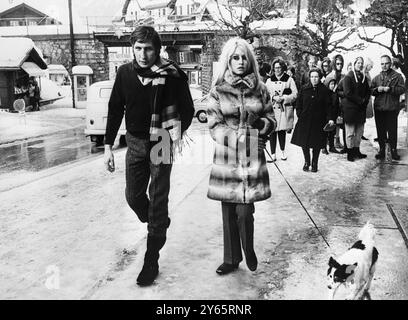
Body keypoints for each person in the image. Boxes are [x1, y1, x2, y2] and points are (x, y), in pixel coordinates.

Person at [104, 26, 194, 286]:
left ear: (158, 49)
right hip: (134, 142)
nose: (143, 54)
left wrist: (176, 129)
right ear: (132, 49)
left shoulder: (173, 76)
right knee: (133, 196)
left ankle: (151, 259)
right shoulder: (125, 74)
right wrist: (108, 146)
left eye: (149, 49)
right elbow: (114, 109)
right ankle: (158, 221)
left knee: (157, 197)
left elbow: (187, 110)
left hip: (162, 141)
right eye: (138, 48)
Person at [206, 37, 276, 275]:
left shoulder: (261, 88)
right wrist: (238, 138)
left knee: (245, 211)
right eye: (235, 57)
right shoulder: (217, 91)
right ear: (228, 60)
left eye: (243, 57)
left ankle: (249, 249)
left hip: (252, 158)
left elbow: (272, 120)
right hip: (227, 158)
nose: (239, 61)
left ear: (250, 60)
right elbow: (215, 126)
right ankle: (231, 259)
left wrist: (261, 125)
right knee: (228, 212)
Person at [291, 68, 334, 172]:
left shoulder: (324, 91)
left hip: (318, 121)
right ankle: (307, 161)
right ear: (309, 78)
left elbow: (329, 107)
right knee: (304, 142)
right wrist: (300, 114)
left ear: (319, 78)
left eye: (316, 77)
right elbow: (298, 104)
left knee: (317, 144)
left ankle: (315, 163)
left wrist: (330, 119)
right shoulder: (304, 89)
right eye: (312, 77)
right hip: (305, 120)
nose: (314, 79)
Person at [371, 55, 406, 160]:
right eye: (382, 64)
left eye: (386, 63)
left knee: (392, 131)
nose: (384, 66)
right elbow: (371, 90)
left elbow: (402, 89)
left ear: (390, 64)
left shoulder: (397, 76)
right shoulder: (376, 78)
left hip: (391, 108)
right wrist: (377, 89)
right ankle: (382, 150)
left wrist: (390, 89)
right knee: (380, 131)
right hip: (379, 108)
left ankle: (394, 150)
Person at [265, 58, 298, 161]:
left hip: (284, 109)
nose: (277, 70)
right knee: (272, 131)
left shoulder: (289, 79)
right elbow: (265, 93)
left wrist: (284, 98)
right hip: (273, 109)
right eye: (275, 68)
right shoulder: (269, 80)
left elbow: (295, 94)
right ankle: (273, 154)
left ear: (283, 68)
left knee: (282, 131)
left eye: (279, 67)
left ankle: (283, 152)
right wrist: (273, 97)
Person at [340, 57, 371, 162]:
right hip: (351, 109)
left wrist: (365, 101)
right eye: (358, 63)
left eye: (361, 63)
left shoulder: (363, 77)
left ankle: (357, 151)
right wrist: (360, 101)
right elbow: (348, 93)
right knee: (350, 132)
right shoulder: (348, 77)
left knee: (359, 132)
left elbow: (368, 91)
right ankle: (350, 153)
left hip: (360, 109)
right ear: (354, 64)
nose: (360, 65)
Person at [324, 54, 346, 151]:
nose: (339, 65)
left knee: (338, 122)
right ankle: (326, 144)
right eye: (337, 63)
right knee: (329, 123)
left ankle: (336, 141)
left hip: (340, 102)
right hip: (330, 103)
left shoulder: (343, 76)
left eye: (341, 64)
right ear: (334, 64)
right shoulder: (330, 76)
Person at [362, 58, 374, 140]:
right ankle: (360, 133)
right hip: (364, 95)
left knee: (364, 116)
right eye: (371, 66)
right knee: (362, 115)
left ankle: (361, 133)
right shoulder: (363, 73)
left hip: (368, 95)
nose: (371, 68)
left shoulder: (367, 73)